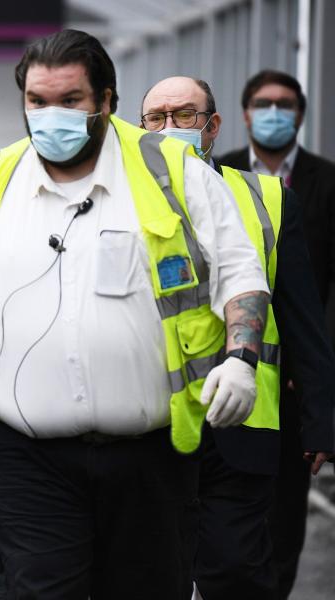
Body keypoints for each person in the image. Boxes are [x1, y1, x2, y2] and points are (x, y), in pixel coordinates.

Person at [0, 29, 269, 598]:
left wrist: (241, 359)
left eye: (70, 100)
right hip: (26, 456)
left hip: (152, 454)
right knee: (38, 590)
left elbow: (240, 273)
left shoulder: (173, 172)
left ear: (107, 101)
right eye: (37, 101)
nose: (51, 115)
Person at [142, 75, 335, 600]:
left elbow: (303, 317)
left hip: (243, 418)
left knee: (236, 568)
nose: (168, 128)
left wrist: (320, 420)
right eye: (155, 119)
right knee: (153, 566)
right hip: (145, 420)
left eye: (183, 116)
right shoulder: (118, 203)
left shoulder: (265, 198)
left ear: (213, 126)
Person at [217, 70, 335, 598]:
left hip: (289, 380)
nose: (272, 112)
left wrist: (317, 390)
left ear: (301, 114)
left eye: (283, 104)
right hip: (229, 376)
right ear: (244, 114)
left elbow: (317, 296)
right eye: (262, 103)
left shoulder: (327, 183)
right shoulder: (215, 179)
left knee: (283, 513)